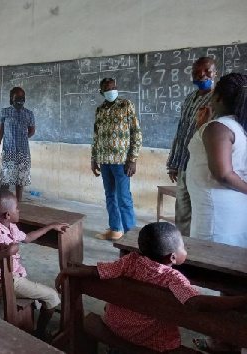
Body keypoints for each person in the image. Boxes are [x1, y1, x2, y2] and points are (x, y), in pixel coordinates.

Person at [55, 222, 247, 352]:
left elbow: (97, 272)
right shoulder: (173, 278)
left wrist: (68, 271)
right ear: (172, 257)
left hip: (114, 325)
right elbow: (195, 302)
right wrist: (240, 300)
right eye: (183, 247)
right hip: (152, 341)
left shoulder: (129, 260)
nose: (184, 250)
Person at [0, 189, 68, 339]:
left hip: (13, 276)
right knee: (52, 297)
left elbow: (27, 238)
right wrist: (6, 253)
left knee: (39, 291)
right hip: (2, 283)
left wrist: (50, 226)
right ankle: (40, 334)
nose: (19, 211)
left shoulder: (8, 226)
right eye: (16, 209)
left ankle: (37, 313)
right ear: (7, 214)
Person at [186, 72, 247, 248]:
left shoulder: (218, 128)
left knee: (211, 262)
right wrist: (201, 128)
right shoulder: (237, 125)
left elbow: (224, 174)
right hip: (229, 210)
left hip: (217, 215)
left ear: (218, 97)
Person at [167, 57, 218, 236]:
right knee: (182, 211)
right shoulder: (189, 99)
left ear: (215, 73)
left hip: (203, 166)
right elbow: (181, 132)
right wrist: (173, 163)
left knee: (202, 213)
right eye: (197, 72)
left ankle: (198, 253)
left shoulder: (219, 99)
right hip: (184, 164)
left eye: (207, 71)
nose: (202, 75)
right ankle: (182, 250)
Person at [91, 78, 142, 240]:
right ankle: (115, 229)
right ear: (101, 92)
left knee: (124, 198)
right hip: (105, 160)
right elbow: (96, 136)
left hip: (122, 162)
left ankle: (131, 238)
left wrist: (132, 159)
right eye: (107, 88)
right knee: (110, 196)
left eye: (113, 87)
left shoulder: (126, 105)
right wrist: (94, 158)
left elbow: (136, 132)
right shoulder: (99, 110)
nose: (111, 91)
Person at [0, 87, 35, 202]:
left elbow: (32, 131)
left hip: (23, 151)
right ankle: (2, 202)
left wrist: (23, 137)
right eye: (17, 97)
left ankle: (18, 203)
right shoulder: (5, 112)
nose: (20, 100)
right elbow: (0, 131)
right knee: (6, 179)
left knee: (20, 179)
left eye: (22, 98)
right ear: (12, 98)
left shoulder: (29, 114)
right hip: (9, 150)